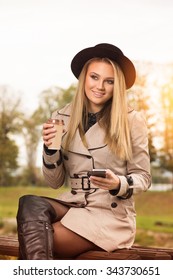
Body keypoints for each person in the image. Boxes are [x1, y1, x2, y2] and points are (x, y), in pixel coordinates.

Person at [16, 43, 151, 260]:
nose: (100, 86)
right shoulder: (61, 116)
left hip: (109, 213)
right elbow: (54, 182)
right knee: (29, 203)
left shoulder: (132, 119)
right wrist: (51, 148)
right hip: (73, 203)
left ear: (118, 85)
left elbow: (143, 177)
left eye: (110, 81)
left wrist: (118, 183)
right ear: (83, 78)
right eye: (94, 77)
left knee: (43, 241)